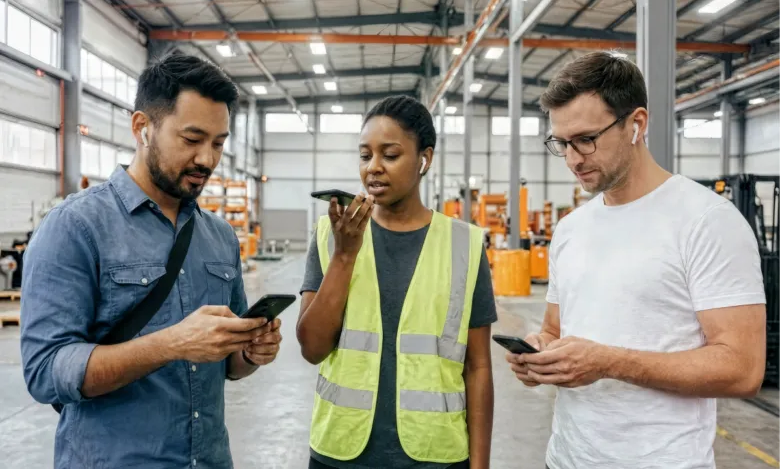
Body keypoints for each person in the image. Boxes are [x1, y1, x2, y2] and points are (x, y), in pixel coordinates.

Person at [505, 51, 767, 469]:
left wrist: (608, 362)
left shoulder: (706, 221)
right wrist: (539, 355)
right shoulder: (572, 229)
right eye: (562, 143)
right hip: (567, 458)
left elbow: (743, 368)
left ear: (636, 124)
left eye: (586, 139)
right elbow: (554, 329)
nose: (573, 158)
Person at [20, 52, 282, 468]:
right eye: (192, 139)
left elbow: (226, 365)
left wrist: (248, 353)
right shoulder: (76, 227)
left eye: (218, 143)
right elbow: (46, 371)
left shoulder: (218, 236)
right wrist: (170, 343)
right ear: (142, 128)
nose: (208, 160)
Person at [296, 95, 497, 469]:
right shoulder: (330, 234)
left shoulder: (465, 245)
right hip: (340, 452)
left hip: (435, 454)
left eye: (389, 155)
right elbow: (312, 348)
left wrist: (480, 465)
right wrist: (344, 255)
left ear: (425, 158)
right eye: (364, 155)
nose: (373, 168)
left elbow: (478, 366)